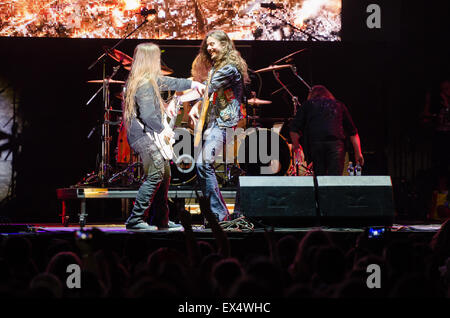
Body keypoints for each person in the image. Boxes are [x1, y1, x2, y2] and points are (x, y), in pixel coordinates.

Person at [123, 42, 204, 230]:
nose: (160, 61)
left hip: (149, 134)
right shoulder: (143, 84)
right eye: (157, 58)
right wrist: (164, 130)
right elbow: (148, 115)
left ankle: (160, 219)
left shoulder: (150, 79)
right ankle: (135, 219)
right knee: (156, 173)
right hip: (143, 136)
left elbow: (173, 82)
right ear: (151, 60)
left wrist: (193, 83)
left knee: (165, 174)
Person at [189, 30, 250, 222]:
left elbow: (207, 87)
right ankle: (225, 214)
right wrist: (197, 107)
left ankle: (220, 214)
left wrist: (178, 99)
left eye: (213, 44)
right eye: (207, 45)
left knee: (203, 163)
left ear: (225, 45)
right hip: (218, 123)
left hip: (225, 124)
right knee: (212, 166)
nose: (209, 48)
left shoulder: (229, 68)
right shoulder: (219, 67)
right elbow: (208, 93)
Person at [289, 85, 363, 176]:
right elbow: (353, 132)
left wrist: (296, 147)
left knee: (320, 177)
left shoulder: (308, 105)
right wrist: (358, 153)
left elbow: (294, 129)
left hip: (316, 144)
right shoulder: (339, 105)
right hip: (336, 145)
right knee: (335, 178)